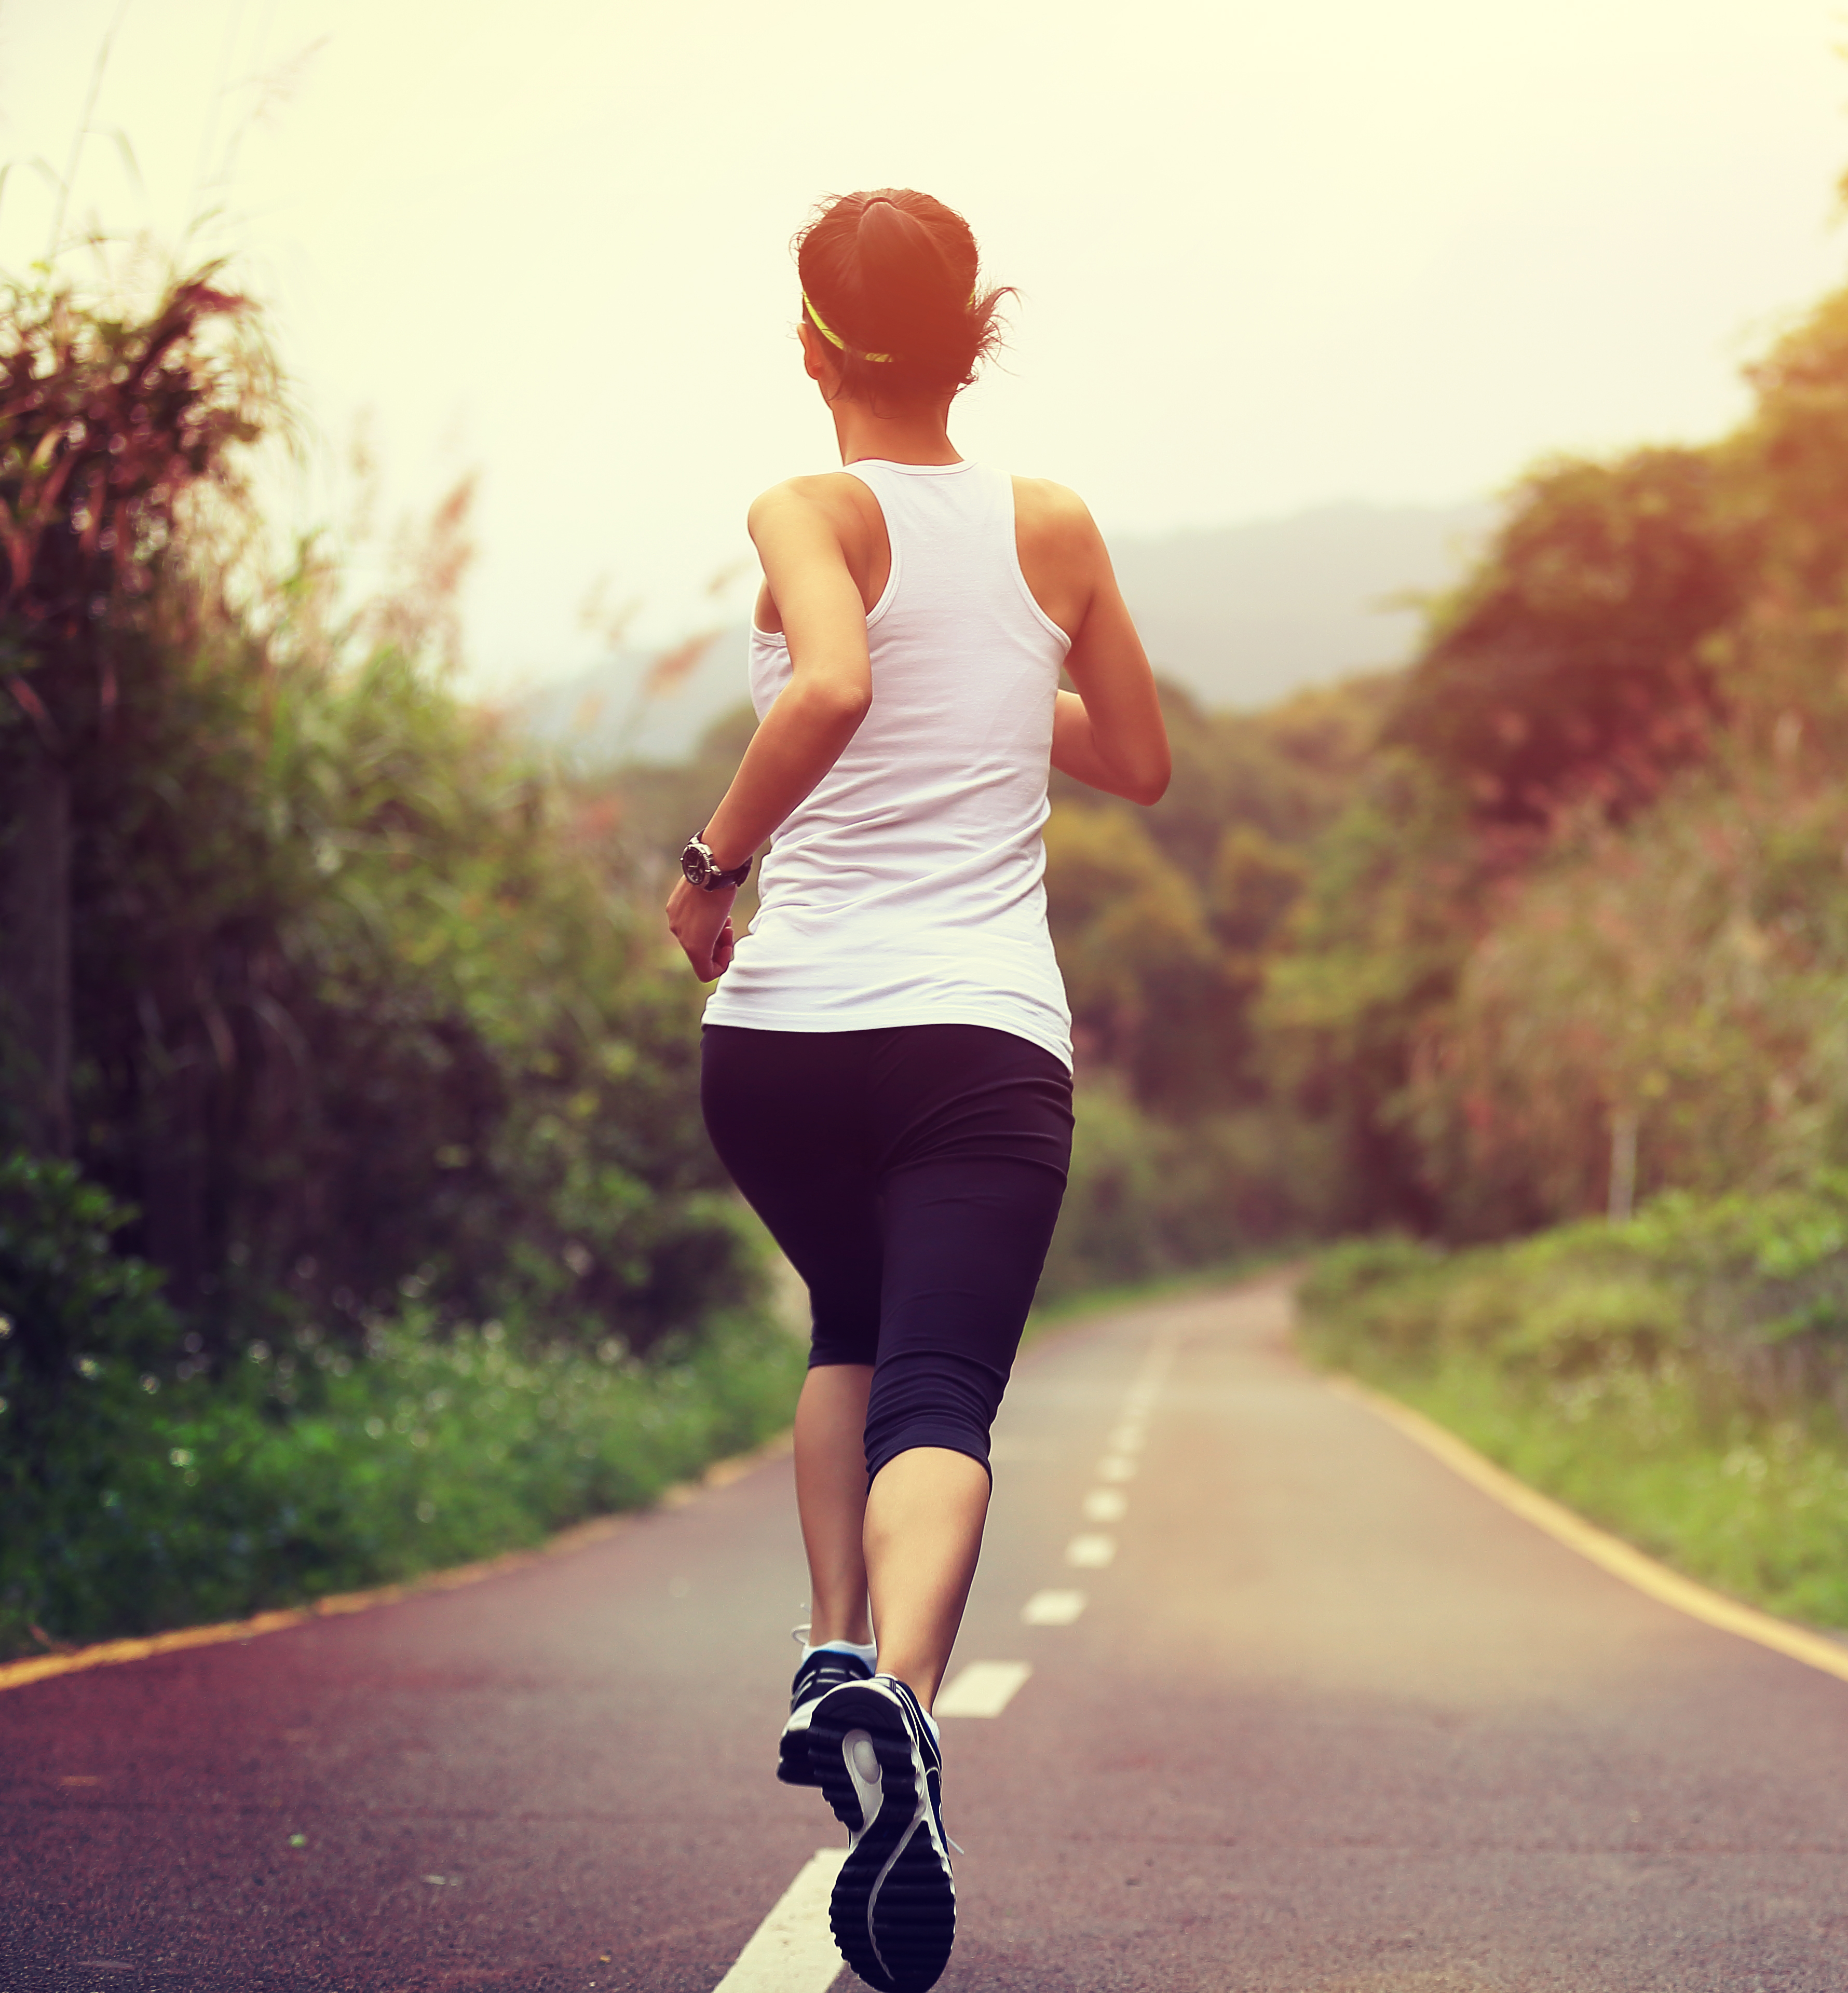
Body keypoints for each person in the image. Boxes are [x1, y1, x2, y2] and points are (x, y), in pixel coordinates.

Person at [663, 186, 1170, 1993]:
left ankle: (825, 1649)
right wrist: (1005, 673)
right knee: (939, 1386)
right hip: (974, 1042)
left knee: (847, 1330)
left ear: (812, 346)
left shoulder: (808, 508)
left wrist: (712, 866)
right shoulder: (1057, 525)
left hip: (783, 1041)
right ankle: (904, 1700)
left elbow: (833, 683)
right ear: (979, 337)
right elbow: (1141, 757)